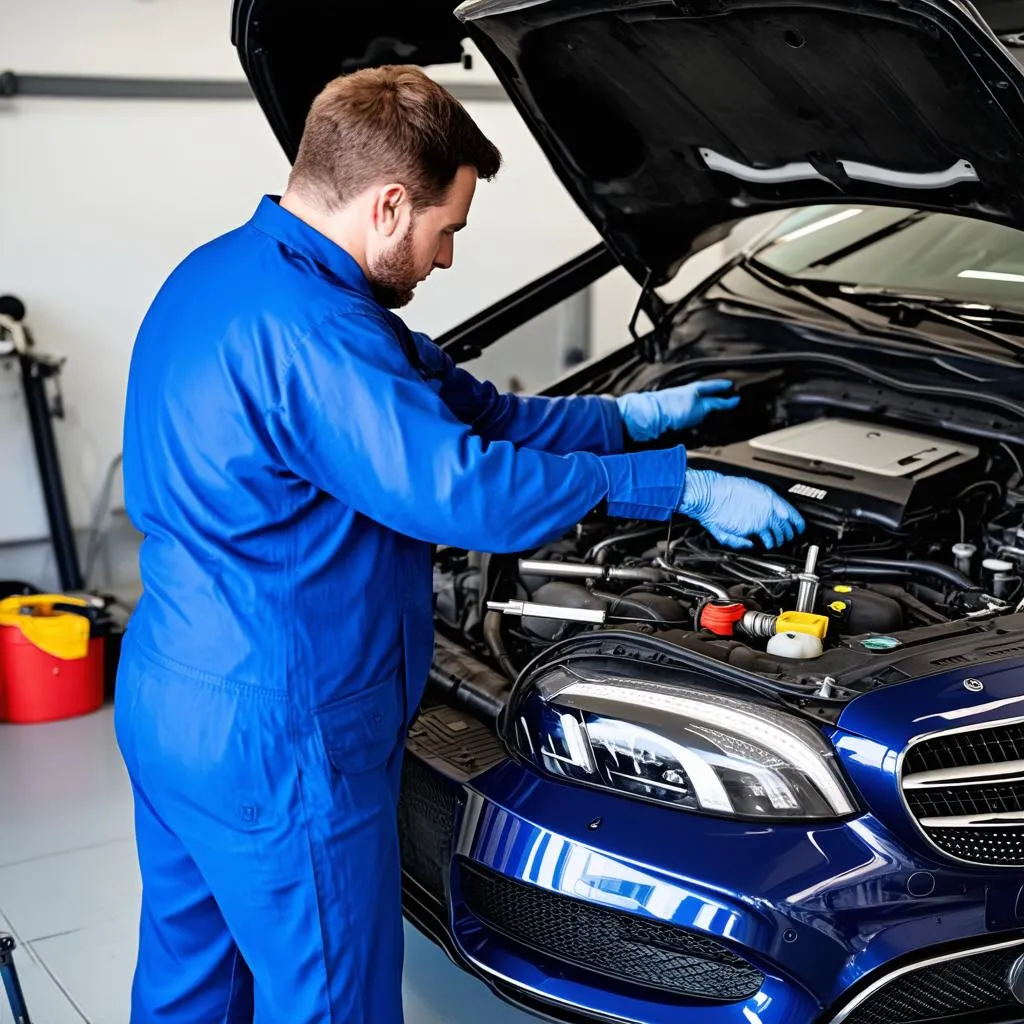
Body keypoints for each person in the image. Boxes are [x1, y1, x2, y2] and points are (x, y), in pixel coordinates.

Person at [115, 65, 805, 1024]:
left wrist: (636, 419)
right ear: (392, 203)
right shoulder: (320, 331)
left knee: (193, 984)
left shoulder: (223, 277)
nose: (443, 260)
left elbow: (471, 414)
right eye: (448, 230)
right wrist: (672, 485)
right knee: (327, 1003)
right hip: (282, 733)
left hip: (170, 696)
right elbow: (464, 489)